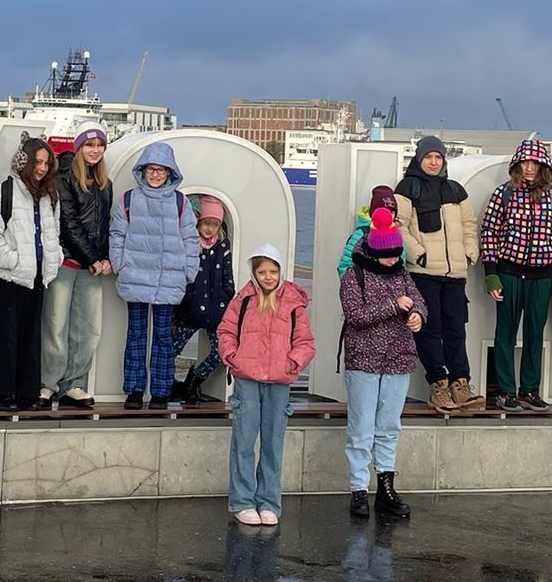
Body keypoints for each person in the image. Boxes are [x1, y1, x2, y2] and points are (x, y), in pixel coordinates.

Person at [216, 243, 314, 526]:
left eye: (273, 271)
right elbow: (225, 331)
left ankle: (269, 502)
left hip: (279, 383)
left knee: (273, 443)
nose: (268, 277)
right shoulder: (243, 300)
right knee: (244, 442)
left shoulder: (293, 304)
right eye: (262, 271)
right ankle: (243, 501)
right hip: (247, 380)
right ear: (254, 273)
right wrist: (233, 358)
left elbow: (305, 342)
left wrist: (292, 364)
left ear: (281, 271)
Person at [480, 137, 552, 411]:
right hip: (509, 272)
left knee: (535, 333)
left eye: (535, 162)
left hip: (542, 275)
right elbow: (489, 232)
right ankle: (505, 390)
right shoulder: (503, 194)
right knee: (506, 333)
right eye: (525, 162)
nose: (530, 167)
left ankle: (530, 390)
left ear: (543, 165)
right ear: (517, 164)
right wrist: (491, 273)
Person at [338, 208, 422, 521]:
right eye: (387, 255)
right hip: (363, 360)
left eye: (396, 254)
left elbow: (419, 301)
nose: (392, 260)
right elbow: (355, 316)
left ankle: (386, 487)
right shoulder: (353, 275)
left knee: (389, 427)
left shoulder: (402, 273)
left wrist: (417, 317)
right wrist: (392, 306)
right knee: (360, 429)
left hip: (398, 359)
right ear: (373, 251)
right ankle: (359, 489)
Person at [109, 140, 201, 410]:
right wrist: (119, 264)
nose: (156, 175)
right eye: (152, 169)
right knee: (136, 334)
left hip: (169, 278)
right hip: (135, 275)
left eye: (162, 170)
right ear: (143, 170)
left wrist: (188, 270)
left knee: (163, 336)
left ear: (171, 172)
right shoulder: (128, 200)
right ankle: (135, 390)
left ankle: (160, 391)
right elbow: (117, 235)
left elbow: (190, 237)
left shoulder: (180, 202)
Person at [393, 136, 481, 415]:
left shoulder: (456, 190)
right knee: (429, 331)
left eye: (438, 158)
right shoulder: (408, 188)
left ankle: (461, 382)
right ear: (419, 159)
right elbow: (398, 226)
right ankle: (438, 384)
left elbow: (469, 225)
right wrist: (419, 254)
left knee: (456, 328)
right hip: (423, 273)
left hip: (454, 273)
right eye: (428, 157)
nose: (433, 162)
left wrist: (469, 253)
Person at [0, 136, 63, 412]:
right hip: (12, 276)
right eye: (37, 162)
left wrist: (55, 258)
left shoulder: (51, 193)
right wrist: (12, 261)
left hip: (39, 275)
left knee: (31, 336)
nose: (41, 168)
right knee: (6, 335)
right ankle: (3, 390)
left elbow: (55, 231)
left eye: (46, 162)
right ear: (25, 161)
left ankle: (27, 389)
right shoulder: (7, 190)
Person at [43, 126, 112, 407]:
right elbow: (68, 223)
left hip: (93, 267)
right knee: (55, 324)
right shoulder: (64, 177)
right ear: (79, 146)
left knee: (88, 329)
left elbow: (107, 225)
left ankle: (73, 384)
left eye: (100, 145)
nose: (95, 150)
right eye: (89, 144)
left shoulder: (105, 183)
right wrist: (91, 258)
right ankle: (47, 383)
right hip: (67, 262)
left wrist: (106, 258)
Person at [170, 196, 234, 407]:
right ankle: (168, 384)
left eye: (214, 225)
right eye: (206, 223)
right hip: (189, 311)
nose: (209, 229)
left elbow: (227, 276)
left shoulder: (222, 247)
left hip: (216, 311)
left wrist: (227, 297)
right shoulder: (190, 244)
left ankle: (194, 381)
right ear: (198, 222)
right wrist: (183, 301)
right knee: (171, 349)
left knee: (220, 352)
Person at [336, 184, 401, 276]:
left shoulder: (397, 236)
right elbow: (345, 265)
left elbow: (401, 266)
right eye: (382, 210)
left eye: (391, 211)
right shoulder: (361, 235)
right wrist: (354, 287)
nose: (387, 215)